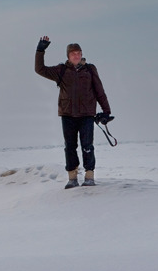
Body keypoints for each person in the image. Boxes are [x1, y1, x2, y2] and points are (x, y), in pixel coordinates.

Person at [35, 36, 112, 189]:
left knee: (87, 145)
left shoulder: (90, 69)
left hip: (87, 115)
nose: (76, 56)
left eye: (78, 53)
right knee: (70, 147)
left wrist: (106, 112)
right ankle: (72, 178)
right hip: (67, 115)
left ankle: (89, 176)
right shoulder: (61, 70)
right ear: (68, 56)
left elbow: (99, 91)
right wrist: (40, 50)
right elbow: (40, 69)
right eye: (73, 54)